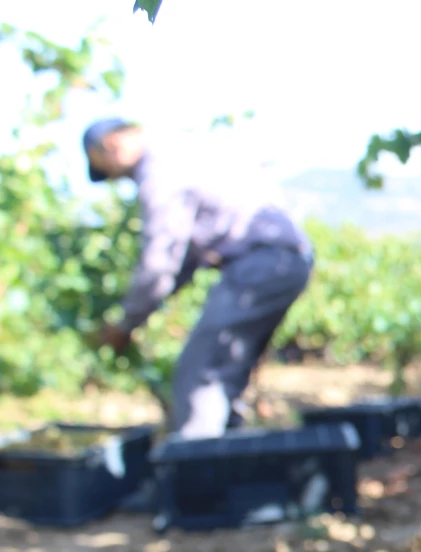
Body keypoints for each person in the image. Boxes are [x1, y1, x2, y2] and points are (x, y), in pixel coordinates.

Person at [83, 118, 313, 439]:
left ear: (111, 147)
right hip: (286, 259)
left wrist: (125, 324)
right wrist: (149, 305)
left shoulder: (159, 169)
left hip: (260, 262)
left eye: (109, 170)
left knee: (200, 375)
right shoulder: (186, 151)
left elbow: (159, 260)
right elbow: (185, 261)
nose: (120, 180)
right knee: (226, 372)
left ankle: (198, 473)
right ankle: (228, 464)